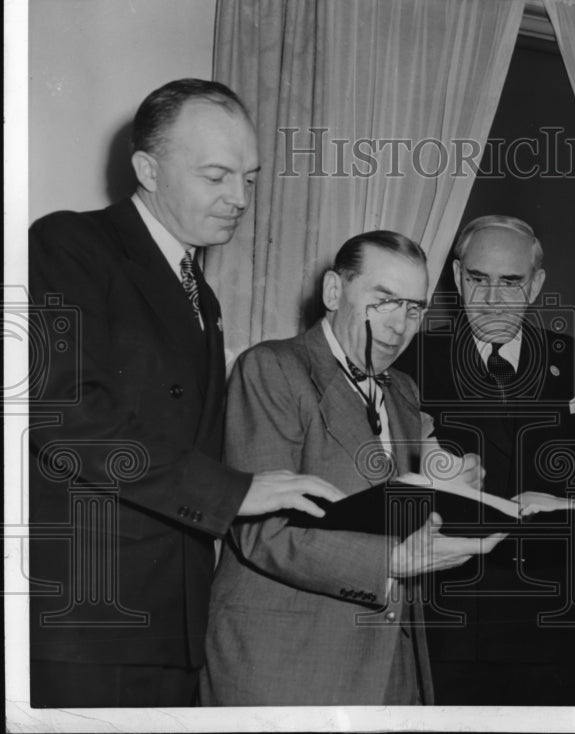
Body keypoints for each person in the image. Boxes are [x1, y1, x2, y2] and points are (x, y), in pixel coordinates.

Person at [28, 79, 343, 708]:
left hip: (172, 623)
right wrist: (235, 491)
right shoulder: (70, 243)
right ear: (147, 169)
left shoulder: (201, 292)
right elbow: (65, 418)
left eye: (250, 178)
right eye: (217, 176)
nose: (240, 198)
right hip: (94, 621)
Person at [200, 230, 503, 705]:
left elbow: (404, 495)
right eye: (383, 300)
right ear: (334, 292)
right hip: (283, 667)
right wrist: (392, 561)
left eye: (413, 308)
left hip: (389, 672)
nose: (399, 325)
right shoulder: (273, 368)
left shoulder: (402, 391)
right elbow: (261, 533)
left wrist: (456, 484)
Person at [396, 215, 575, 705]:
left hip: (551, 626)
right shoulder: (412, 362)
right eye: (478, 279)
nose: (492, 299)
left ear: (536, 284)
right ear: (457, 279)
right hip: (448, 628)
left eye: (511, 282)